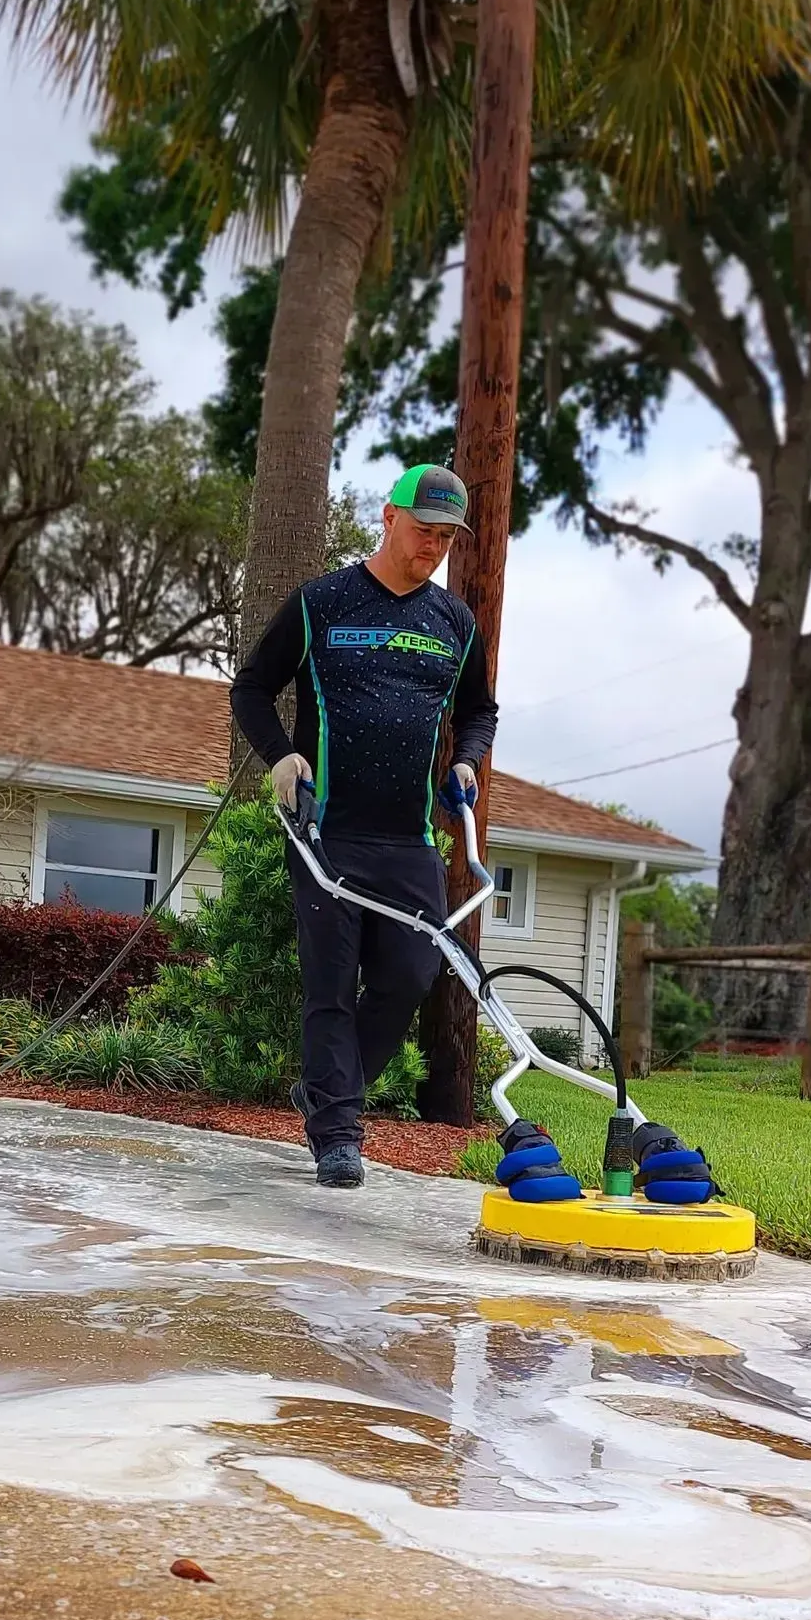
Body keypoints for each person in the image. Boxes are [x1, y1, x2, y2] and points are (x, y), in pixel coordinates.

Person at [230, 464, 498, 1189]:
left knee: (409, 977)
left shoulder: (454, 623)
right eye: (422, 532)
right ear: (388, 517)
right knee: (329, 982)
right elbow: (252, 688)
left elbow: (479, 711)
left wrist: (468, 762)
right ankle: (338, 1134)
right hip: (328, 833)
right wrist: (283, 757)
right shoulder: (322, 603)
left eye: (445, 538)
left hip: (408, 838)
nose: (433, 548)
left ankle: (326, 1089)